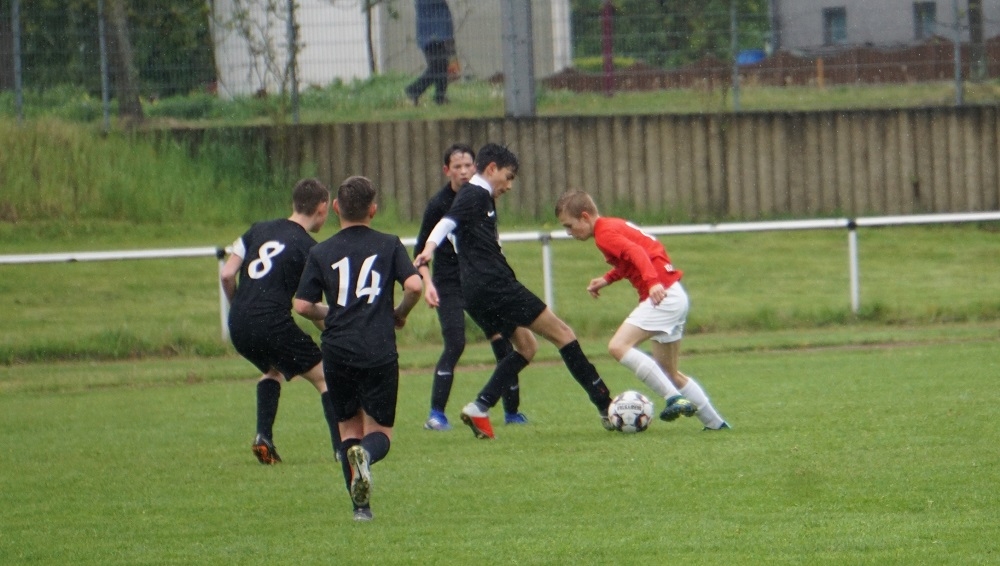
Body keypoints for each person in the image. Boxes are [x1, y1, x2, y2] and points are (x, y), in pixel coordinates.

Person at [414, 143, 615, 440]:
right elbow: (447, 222)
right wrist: (429, 248)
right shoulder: (474, 193)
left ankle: (480, 407)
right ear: (492, 168)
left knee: (527, 347)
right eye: (507, 177)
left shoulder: (483, 198)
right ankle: (606, 406)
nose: (509, 186)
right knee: (563, 334)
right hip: (495, 285)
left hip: (475, 290)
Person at [293, 175, 422, 522]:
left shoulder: (320, 251)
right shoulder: (389, 244)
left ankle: (360, 510)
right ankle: (367, 455)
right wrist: (399, 313)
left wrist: (332, 313)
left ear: (336, 208)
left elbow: (302, 305)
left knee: (348, 430)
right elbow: (414, 285)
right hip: (378, 347)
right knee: (379, 434)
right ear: (373, 210)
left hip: (337, 350)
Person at [554, 190, 730, 431]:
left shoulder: (604, 234)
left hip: (661, 295)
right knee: (668, 372)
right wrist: (607, 279)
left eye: (569, 226)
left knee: (618, 346)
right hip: (674, 294)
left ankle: (673, 398)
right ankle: (716, 424)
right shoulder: (611, 225)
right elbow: (630, 259)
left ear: (585, 217)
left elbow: (637, 253)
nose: (569, 232)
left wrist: (652, 282)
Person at [219, 178, 343, 465]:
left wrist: (240, 305)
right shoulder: (309, 249)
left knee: (272, 369)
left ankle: (263, 437)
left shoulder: (257, 230)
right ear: (322, 208)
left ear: (294, 203)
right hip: (271, 322)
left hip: (238, 322)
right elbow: (307, 307)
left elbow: (226, 274)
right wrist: (334, 330)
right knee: (325, 377)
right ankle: (342, 449)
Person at [414, 143, 528, 431]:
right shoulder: (439, 204)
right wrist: (428, 284)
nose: (464, 171)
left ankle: (512, 413)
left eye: (468, 166)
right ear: (447, 170)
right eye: (458, 167)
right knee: (455, 342)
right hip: (449, 283)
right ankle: (436, 415)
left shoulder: (483, 196)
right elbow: (421, 250)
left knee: (503, 341)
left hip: (479, 282)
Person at [405, 0, 455, 105]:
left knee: (442, 64)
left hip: (438, 27)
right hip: (430, 32)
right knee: (437, 66)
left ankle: (440, 97)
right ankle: (413, 90)